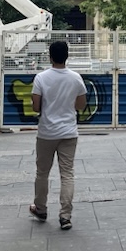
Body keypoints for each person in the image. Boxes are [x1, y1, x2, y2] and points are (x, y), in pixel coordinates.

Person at [29, 40, 87, 231]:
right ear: (67, 56)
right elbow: (81, 105)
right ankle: (65, 216)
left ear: (50, 56)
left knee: (42, 173)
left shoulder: (41, 78)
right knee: (67, 174)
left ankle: (40, 209)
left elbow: (36, 107)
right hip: (69, 132)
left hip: (46, 133)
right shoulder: (76, 78)